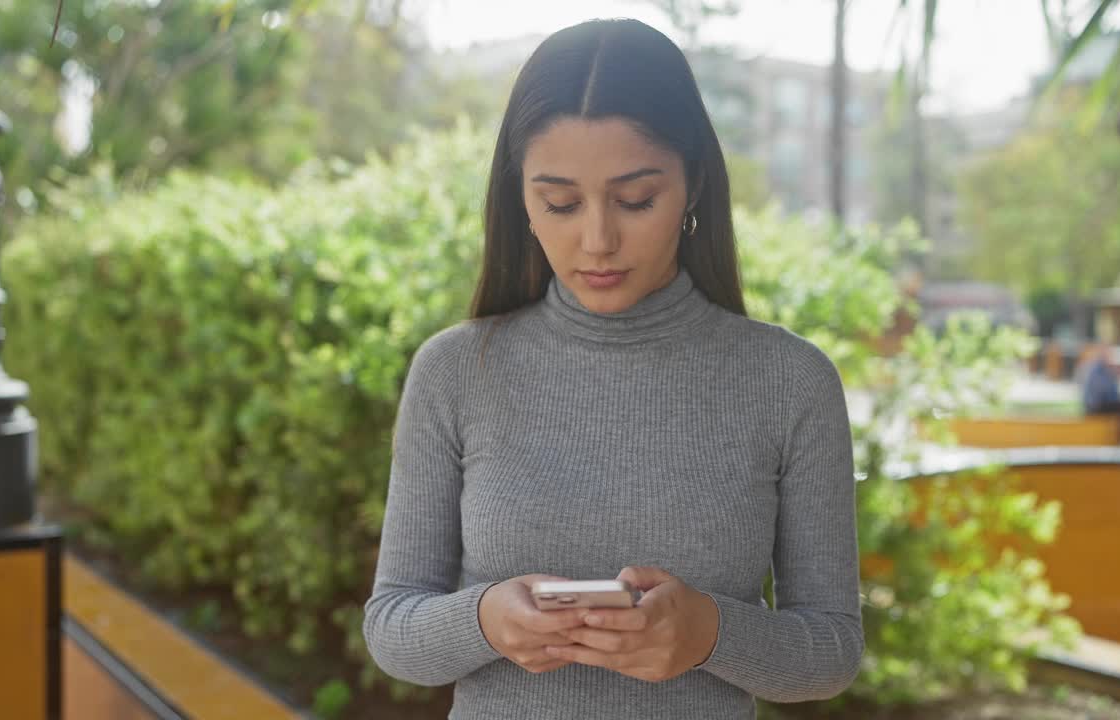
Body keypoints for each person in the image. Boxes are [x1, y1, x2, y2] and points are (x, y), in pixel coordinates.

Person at [362, 18, 862, 720]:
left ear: (692, 187)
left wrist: (708, 633)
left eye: (636, 200)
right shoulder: (455, 371)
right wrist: (484, 621)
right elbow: (392, 627)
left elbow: (832, 650)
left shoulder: (790, 382)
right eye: (559, 203)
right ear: (521, 200)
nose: (596, 240)